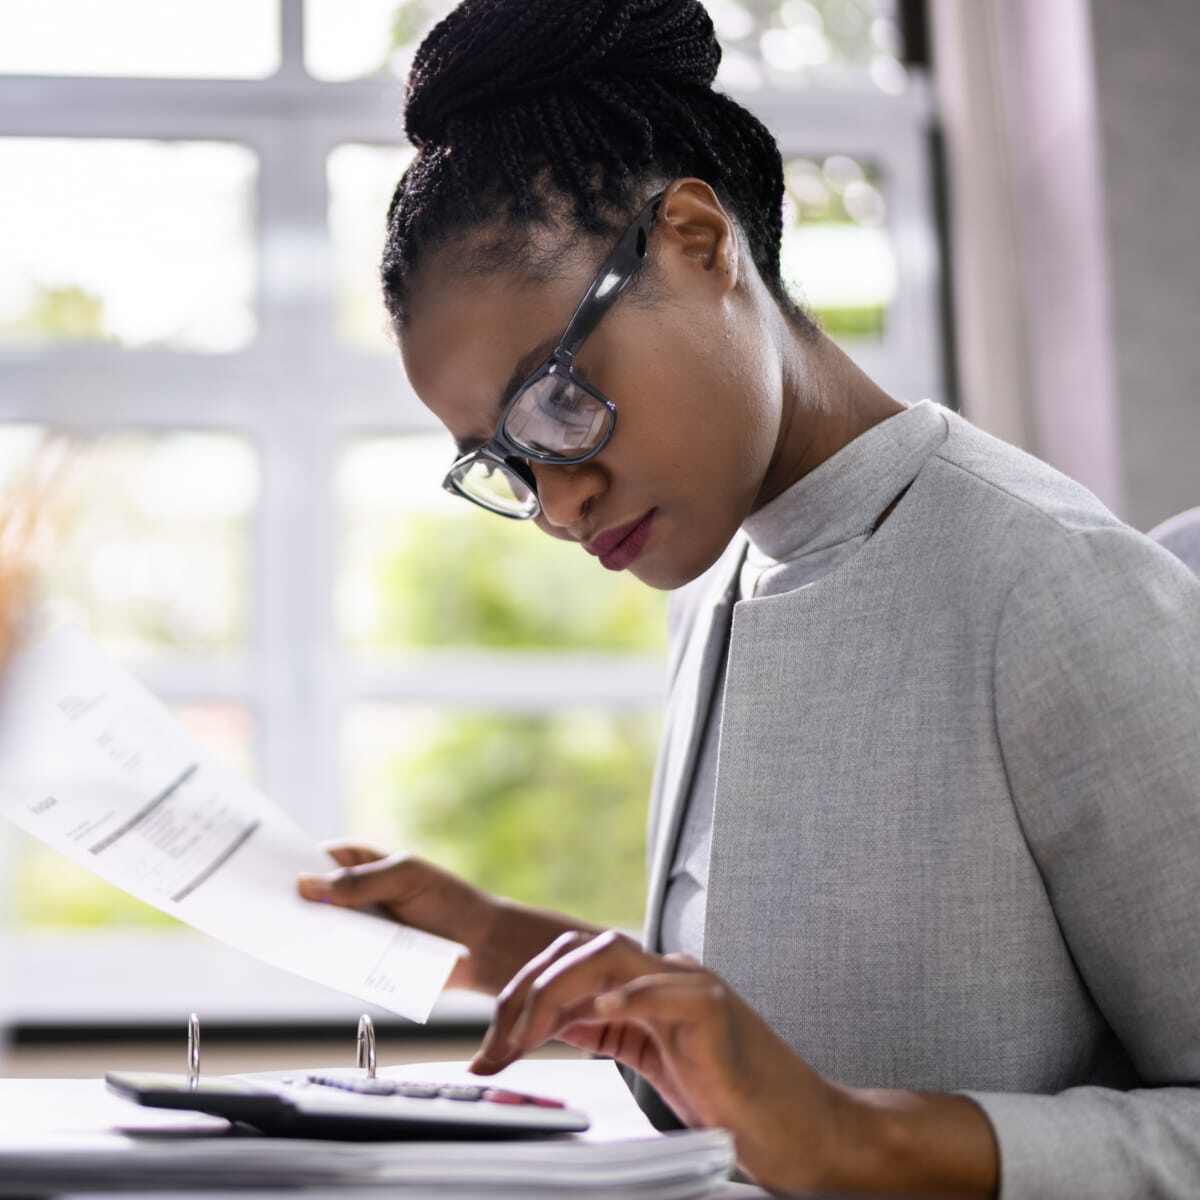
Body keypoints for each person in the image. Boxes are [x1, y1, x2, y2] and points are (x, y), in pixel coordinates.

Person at [298, 1, 1200, 1194]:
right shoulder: (720, 578)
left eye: (558, 403)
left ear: (696, 240)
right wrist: (500, 942)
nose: (558, 506)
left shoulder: (1046, 586)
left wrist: (858, 1144)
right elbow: (767, 1053)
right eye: (508, 463)